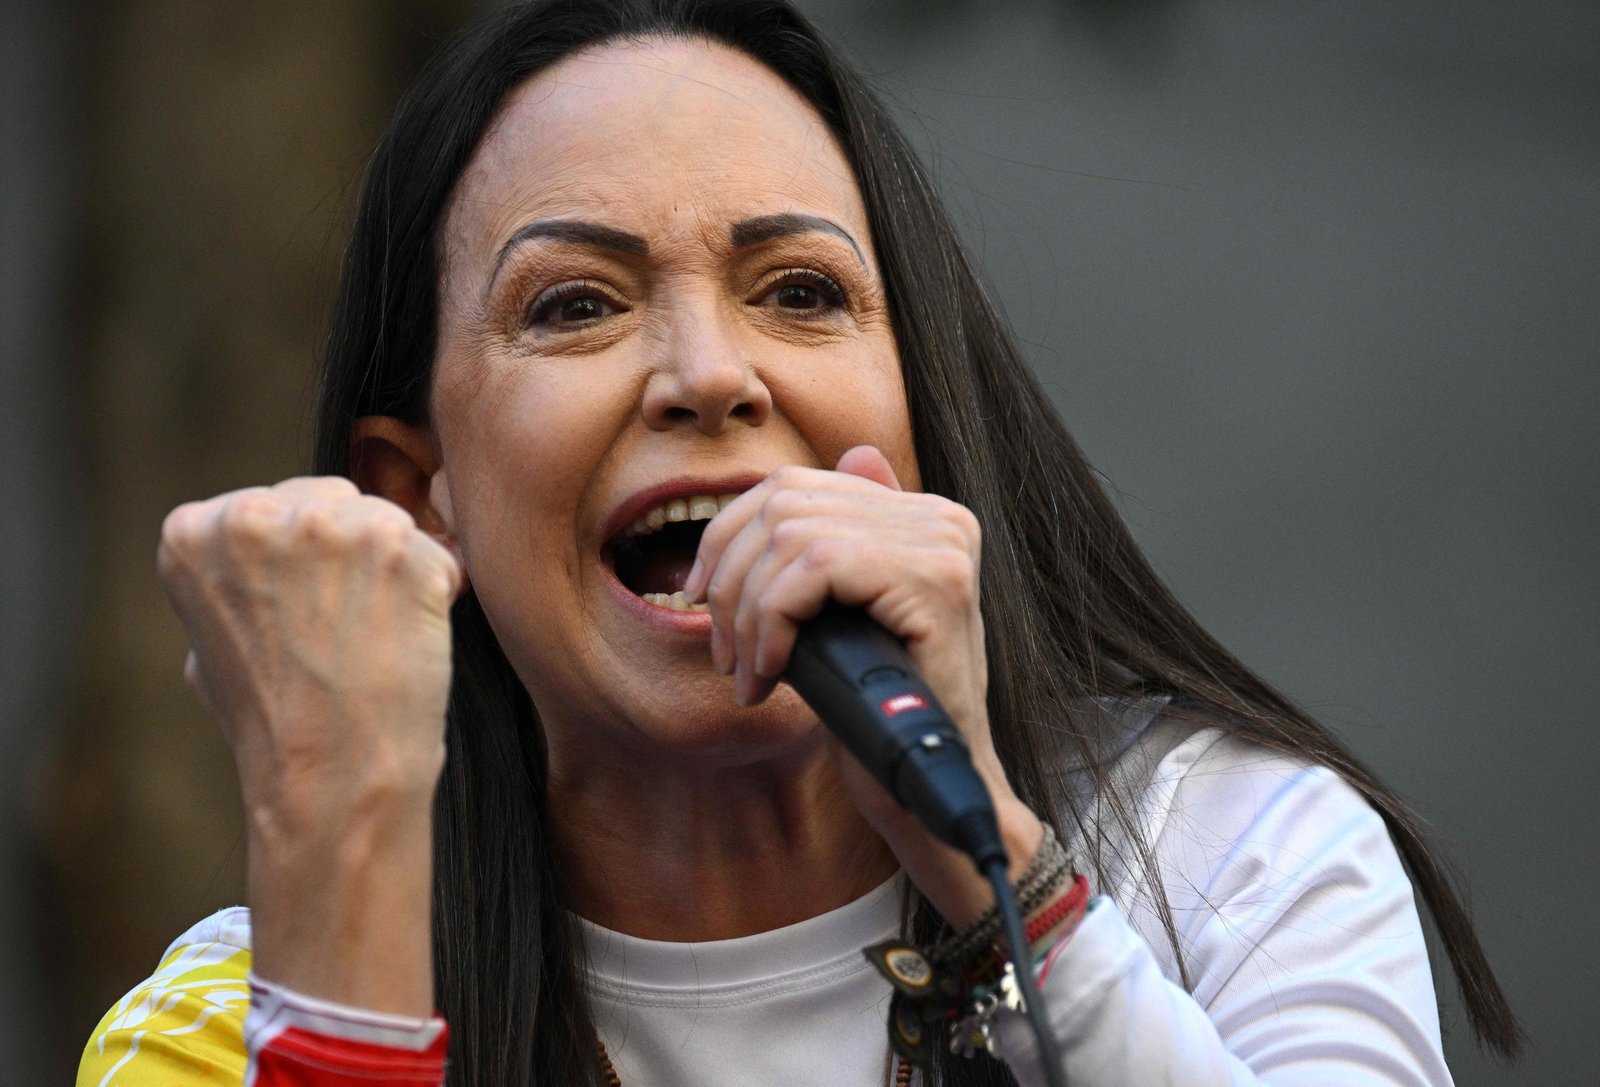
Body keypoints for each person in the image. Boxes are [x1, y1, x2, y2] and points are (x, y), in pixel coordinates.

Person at [79, 2, 1519, 1085]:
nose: (710, 375)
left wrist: (1003, 881)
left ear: (918, 415)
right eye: (575, 305)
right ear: (416, 498)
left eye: (802, 291)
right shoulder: (243, 1015)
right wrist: (341, 833)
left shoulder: (1229, 853)